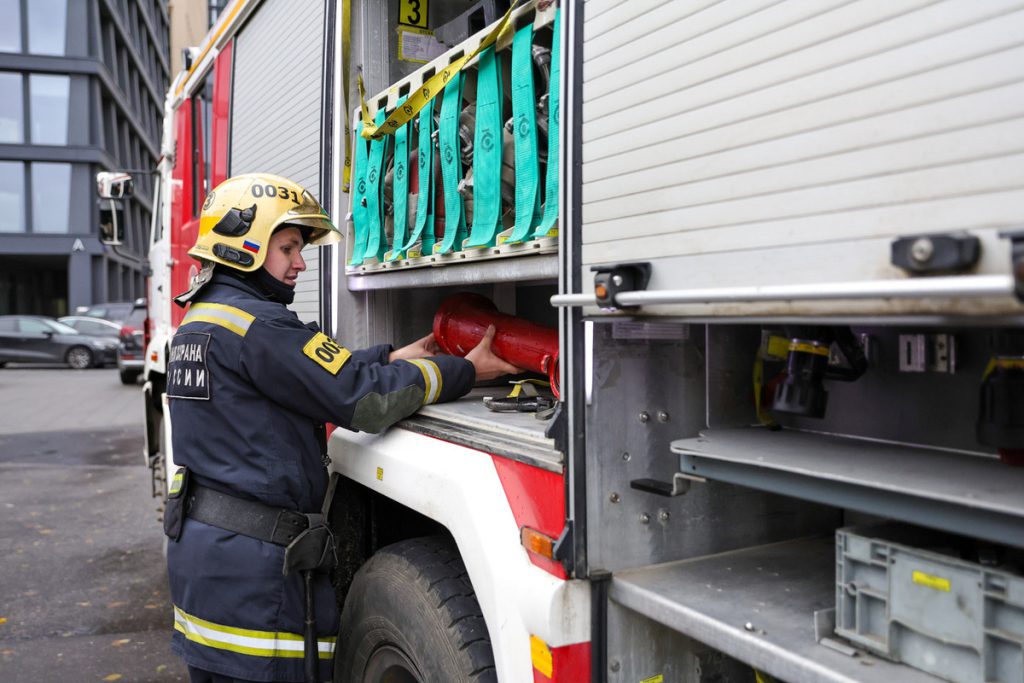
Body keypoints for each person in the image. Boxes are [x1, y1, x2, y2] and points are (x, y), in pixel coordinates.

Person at [163, 173, 520, 683]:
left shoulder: (202, 322)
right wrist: (465, 370)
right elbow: (363, 400)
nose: (300, 263)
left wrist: (391, 357)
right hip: (255, 581)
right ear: (244, 244)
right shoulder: (260, 325)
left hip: (208, 565)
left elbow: (308, 376)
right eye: (287, 248)